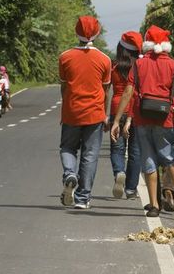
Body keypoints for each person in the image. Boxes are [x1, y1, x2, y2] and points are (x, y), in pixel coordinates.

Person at [111, 25, 174, 217]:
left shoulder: (139, 64)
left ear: (148, 43)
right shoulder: (173, 65)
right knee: (171, 156)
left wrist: (117, 120)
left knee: (148, 161)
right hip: (164, 119)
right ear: (166, 44)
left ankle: (154, 206)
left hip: (142, 120)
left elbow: (128, 92)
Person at [59, 16, 111, 210]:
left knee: (67, 148)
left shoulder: (65, 57)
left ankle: (69, 174)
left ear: (76, 32)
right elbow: (105, 91)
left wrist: (66, 109)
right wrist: (105, 115)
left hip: (72, 112)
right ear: (97, 34)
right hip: (95, 114)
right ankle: (82, 198)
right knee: (90, 154)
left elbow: (64, 88)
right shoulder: (105, 60)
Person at [108, 31, 143, 200]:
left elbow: (107, 88)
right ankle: (130, 189)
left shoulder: (113, 66)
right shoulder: (141, 66)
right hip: (136, 110)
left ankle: (119, 172)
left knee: (117, 148)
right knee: (136, 150)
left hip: (117, 109)